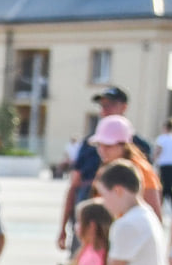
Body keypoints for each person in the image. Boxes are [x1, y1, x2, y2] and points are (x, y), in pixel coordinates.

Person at [58, 87, 153, 250]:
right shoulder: (88, 144)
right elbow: (74, 185)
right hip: (89, 225)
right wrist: (63, 227)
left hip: (123, 233)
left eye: (110, 105)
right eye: (102, 106)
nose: (104, 110)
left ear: (124, 107)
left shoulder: (140, 150)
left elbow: (151, 199)